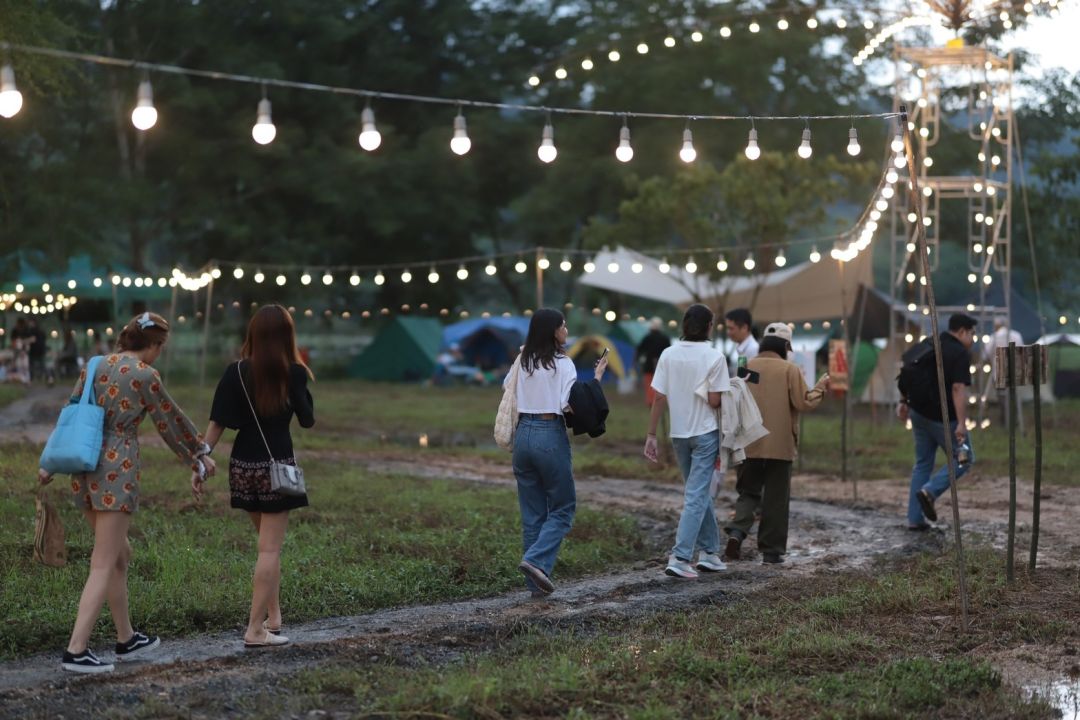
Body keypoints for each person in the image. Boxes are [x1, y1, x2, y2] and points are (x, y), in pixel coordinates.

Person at [38, 312, 215, 674]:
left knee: (119, 554)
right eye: (161, 347)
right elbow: (170, 420)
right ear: (154, 345)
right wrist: (199, 454)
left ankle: (127, 638)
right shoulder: (145, 375)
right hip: (116, 471)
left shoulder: (95, 365)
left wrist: (50, 462)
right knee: (104, 561)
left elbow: (71, 413)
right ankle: (76, 650)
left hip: (83, 466)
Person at [197, 304, 315, 648]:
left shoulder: (235, 372)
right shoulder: (294, 372)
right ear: (287, 336)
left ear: (253, 335)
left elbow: (217, 423)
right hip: (277, 468)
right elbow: (307, 419)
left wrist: (200, 460)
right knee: (270, 550)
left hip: (243, 467)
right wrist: (299, 378)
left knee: (266, 547)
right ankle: (254, 630)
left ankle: (273, 617)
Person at [509, 308, 607, 597]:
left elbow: (507, 388)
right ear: (553, 331)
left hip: (522, 435)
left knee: (533, 515)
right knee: (563, 509)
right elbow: (569, 403)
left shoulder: (522, 360)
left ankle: (536, 587)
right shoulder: (563, 364)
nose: (566, 330)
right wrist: (596, 380)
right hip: (549, 433)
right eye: (563, 326)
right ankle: (536, 561)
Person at [723, 323, 829, 564]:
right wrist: (820, 388)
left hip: (748, 442)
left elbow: (735, 399)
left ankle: (737, 533)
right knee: (775, 499)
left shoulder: (745, 366)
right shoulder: (789, 370)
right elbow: (803, 403)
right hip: (780, 446)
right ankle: (771, 552)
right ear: (785, 346)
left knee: (748, 492)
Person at [644, 304, 731, 579]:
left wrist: (651, 434)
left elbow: (659, 397)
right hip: (705, 433)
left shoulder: (668, 354)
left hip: (679, 435)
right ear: (709, 327)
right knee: (696, 495)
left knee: (698, 492)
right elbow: (715, 401)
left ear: (684, 325)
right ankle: (680, 557)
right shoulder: (715, 357)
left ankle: (710, 553)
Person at [898, 313, 978, 529]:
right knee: (964, 458)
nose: (973, 339)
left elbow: (907, 369)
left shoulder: (930, 342)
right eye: (972, 334)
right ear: (962, 331)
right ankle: (930, 491)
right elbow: (958, 388)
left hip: (918, 413)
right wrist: (961, 423)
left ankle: (915, 518)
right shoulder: (959, 353)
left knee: (923, 463)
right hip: (942, 418)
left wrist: (903, 401)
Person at [635, 317, 671, 407]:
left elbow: (639, 350)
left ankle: (651, 403)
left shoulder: (647, 338)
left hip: (649, 366)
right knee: (661, 385)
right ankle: (660, 402)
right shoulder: (665, 338)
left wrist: (638, 360)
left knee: (649, 385)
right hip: (662, 366)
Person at [724, 308, 759, 376]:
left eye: (731, 328)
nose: (728, 332)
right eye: (727, 328)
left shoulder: (753, 349)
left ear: (744, 328)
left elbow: (750, 379)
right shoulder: (744, 348)